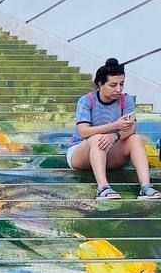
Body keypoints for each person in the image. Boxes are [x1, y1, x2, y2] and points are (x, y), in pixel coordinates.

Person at [67, 57, 158, 201]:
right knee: (97, 138)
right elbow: (83, 132)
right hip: (81, 153)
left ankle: (146, 187)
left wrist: (114, 136)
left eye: (122, 84)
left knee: (136, 139)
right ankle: (103, 188)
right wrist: (114, 126)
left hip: (111, 150)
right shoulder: (86, 100)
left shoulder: (126, 100)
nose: (118, 89)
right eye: (113, 85)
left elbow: (132, 128)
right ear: (100, 84)